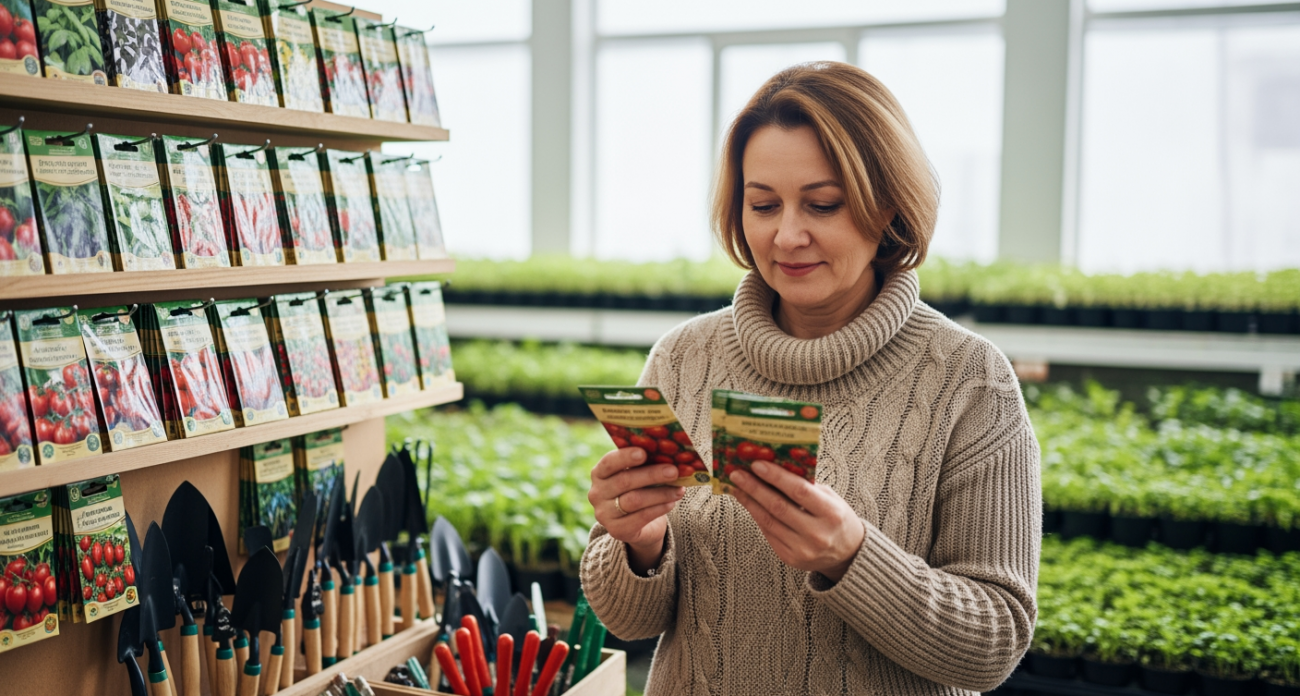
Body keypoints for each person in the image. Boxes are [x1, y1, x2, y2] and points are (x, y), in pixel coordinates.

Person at [579, 62, 1041, 695]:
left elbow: (995, 643)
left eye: (822, 204)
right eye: (762, 205)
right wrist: (637, 543)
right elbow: (628, 621)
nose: (787, 235)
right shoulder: (682, 358)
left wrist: (852, 555)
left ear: (887, 206)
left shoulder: (969, 382)